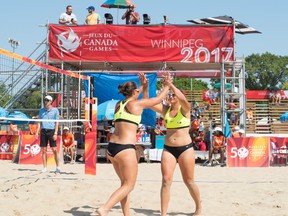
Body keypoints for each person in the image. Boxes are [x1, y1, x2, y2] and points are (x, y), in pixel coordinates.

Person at [97, 72, 171, 216]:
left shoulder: (120, 104)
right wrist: (167, 86)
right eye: (138, 90)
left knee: (124, 185)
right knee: (129, 185)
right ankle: (104, 208)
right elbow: (157, 100)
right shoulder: (135, 104)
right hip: (125, 149)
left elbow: (144, 102)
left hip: (112, 148)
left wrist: (144, 86)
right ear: (135, 91)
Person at [151, 82, 201, 216]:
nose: (171, 96)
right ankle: (163, 213)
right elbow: (149, 103)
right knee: (166, 180)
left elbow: (183, 99)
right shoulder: (166, 110)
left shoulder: (184, 109)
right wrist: (145, 87)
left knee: (189, 181)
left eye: (174, 95)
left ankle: (198, 208)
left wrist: (171, 85)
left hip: (185, 148)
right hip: (168, 149)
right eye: (170, 94)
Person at [36, 95, 60, 174]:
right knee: (43, 150)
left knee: (54, 150)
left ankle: (57, 167)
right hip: (43, 131)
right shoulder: (42, 110)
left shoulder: (55, 110)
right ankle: (45, 167)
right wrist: (37, 131)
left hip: (51, 131)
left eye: (46, 100)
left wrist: (56, 133)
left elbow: (57, 122)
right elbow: (39, 122)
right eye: (44, 100)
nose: (45, 101)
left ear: (50, 101)